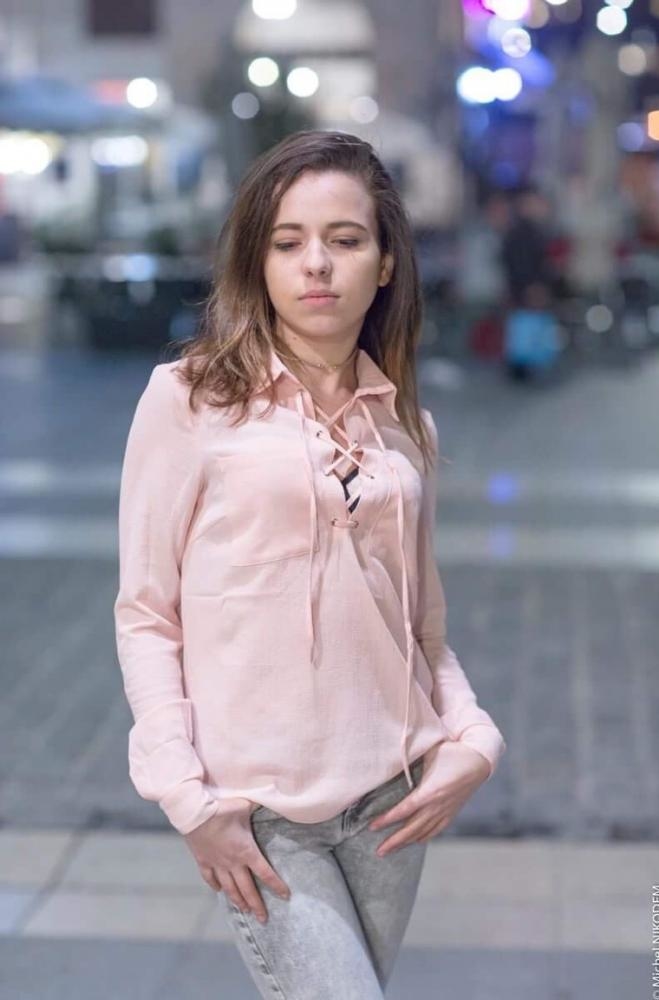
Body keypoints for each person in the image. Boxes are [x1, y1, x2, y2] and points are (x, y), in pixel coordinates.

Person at [113, 129, 507, 999]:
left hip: (393, 798)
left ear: (387, 262)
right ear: (258, 262)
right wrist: (186, 796)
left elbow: (420, 625)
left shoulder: (405, 428)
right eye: (288, 242)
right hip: (258, 811)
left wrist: (475, 738)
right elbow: (146, 613)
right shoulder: (189, 399)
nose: (317, 264)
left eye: (345, 239)